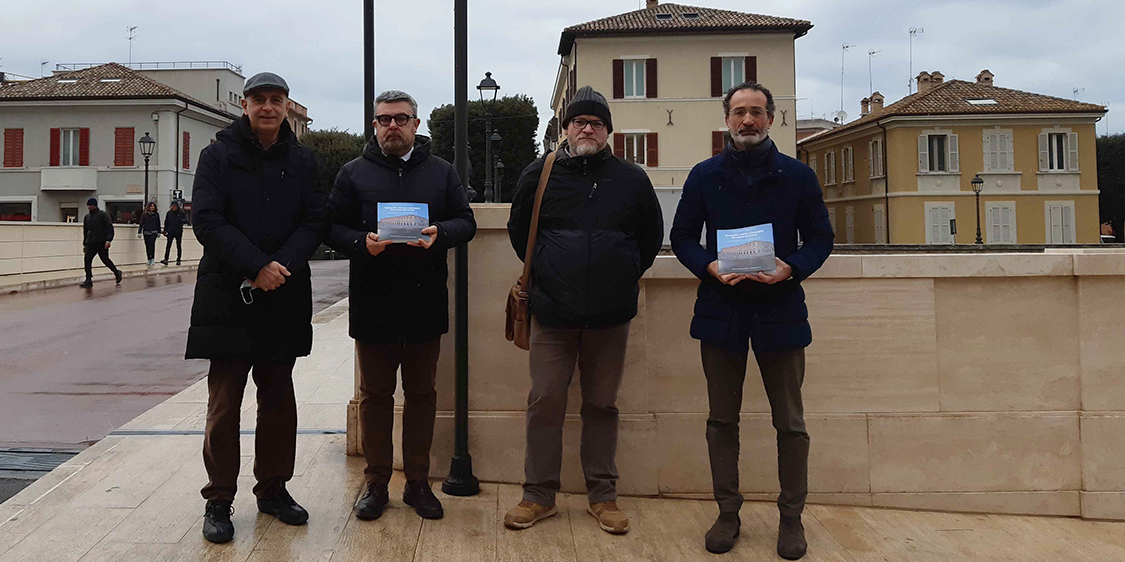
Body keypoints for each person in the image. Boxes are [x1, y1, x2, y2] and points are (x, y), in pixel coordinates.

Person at [670, 82, 833, 561]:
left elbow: (821, 238)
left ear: (772, 119)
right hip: (721, 312)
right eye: (739, 112)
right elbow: (682, 238)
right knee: (722, 420)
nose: (747, 121)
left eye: (757, 113)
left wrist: (792, 267)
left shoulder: (798, 177)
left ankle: (791, 518)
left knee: (791, 423)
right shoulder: (704, 175)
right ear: (726, 119)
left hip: (780, 311)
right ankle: (727, 513)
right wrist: (710, 266)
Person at [503, 87, 664, 536]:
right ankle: (537, 495)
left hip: (611, 315)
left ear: (608, 130)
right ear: (566, 129)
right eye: (579, 122)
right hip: (551, 313)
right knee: (544, 402)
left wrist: (623, 270)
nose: (586, 128)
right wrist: (553, 274)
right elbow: (521, 234)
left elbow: (650, 238)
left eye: (595, 122)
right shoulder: (540, 174)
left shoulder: (632, 179)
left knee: (601, 405)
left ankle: (603, 495)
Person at [185, 72, 326, 545]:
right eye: (259, 99)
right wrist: (254, 264)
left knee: (279, 400)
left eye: (276, 100)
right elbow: (206, 219)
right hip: (228, 293)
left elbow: (314, 220)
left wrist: (279, 266)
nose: (268, 107)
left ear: (287, 105)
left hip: (282, 292)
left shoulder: (304, 160)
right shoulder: (217, 155)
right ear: (244, 105)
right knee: (225, 402)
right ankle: (219, 499)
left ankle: (273, 490)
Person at [326, 90, 476, 522]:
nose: (393, 126)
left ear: (416, 124)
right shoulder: (352, 174)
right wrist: (360, 243)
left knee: (422, 396)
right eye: (384, 119)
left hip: (425, 303)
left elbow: (466, 221)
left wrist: (439, 233)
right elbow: (331, 226)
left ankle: (416, 482)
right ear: (374, 125)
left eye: (401, 119)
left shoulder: (441, 172)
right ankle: (375, 482)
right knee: (375, 397)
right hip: (373, 304)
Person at [80, 198, 122, 288]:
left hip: (101, 242)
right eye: (88, 205)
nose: (89, 207)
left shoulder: (103, 215)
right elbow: (85, 231)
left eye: (90, 205)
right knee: (87, 260)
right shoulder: (87, 217)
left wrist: (108, 240)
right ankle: (88, 279)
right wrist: (85, 243)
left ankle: (116, 272)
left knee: (105, 260)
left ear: (94, 205)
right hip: (91, 242)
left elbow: (109, 228)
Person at [162, 200, 186, 265]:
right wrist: (165, 230)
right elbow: (166, 222)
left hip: (178, 231)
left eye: (174, 206)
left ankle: (178, 259)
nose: (173, 207)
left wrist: (180, 220)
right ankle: (166, 259)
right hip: (170, 231)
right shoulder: (169, 213)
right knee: (168, 245)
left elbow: (185, 220)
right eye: (172, 206)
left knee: (178, 245)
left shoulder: (181, 212)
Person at [139, 201, 161, 265]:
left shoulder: (156, 214)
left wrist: (159, 231)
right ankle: (148, 258)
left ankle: (152, 258)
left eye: (153, 206)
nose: (152, 207)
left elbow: (158, 223)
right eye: (151, 206)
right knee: (147, 246)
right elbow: (141, 223)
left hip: (154, 231)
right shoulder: (145, 214)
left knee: (152, 244)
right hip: (146, 232)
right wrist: (139, 231)